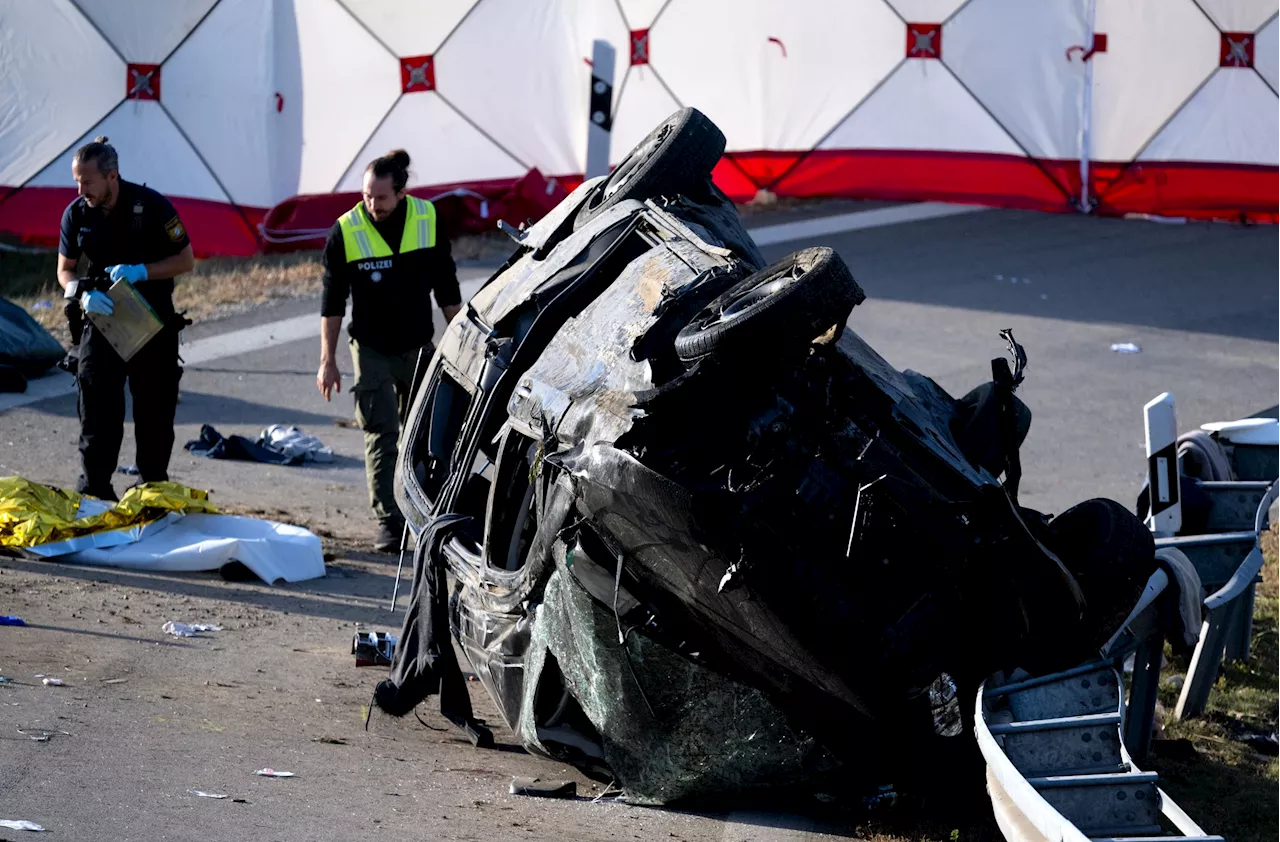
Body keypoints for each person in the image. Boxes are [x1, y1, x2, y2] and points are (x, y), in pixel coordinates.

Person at [317, 149, 462, 552]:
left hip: (417, 347)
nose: (371, 205)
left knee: (424, 435)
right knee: (381, 433)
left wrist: (467, 345)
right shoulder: (345, 231)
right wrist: (328, 360)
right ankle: (389, 523)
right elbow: (331, 304)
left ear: (400, 193)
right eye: (366, 195)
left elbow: (447, 290)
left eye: (379, 197)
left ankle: (424, 514)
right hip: (371, 348)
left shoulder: (427, 220)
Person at [56, 136, 195, 501]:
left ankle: (151, 490)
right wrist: (81, 293)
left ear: (111, 176)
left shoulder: (150, 206)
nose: (80, 189)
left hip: (151, 319)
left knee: (154, 410)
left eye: (87, 181)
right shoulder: (76, 214)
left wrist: (140, 272)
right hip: (102, 318)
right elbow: (65, 270)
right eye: (77, 181)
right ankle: (96, 491)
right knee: (97, 407)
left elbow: (185, 260)